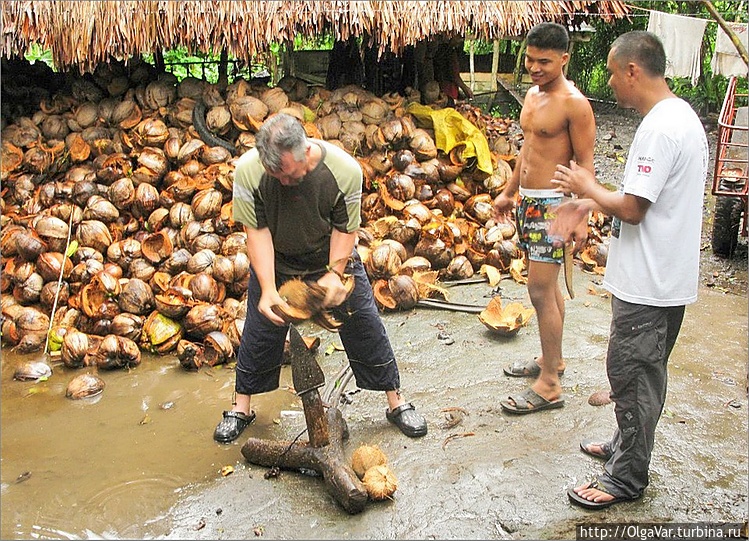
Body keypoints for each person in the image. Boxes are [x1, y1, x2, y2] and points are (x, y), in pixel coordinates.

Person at [550, 31, 708, 509]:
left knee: (632, 377)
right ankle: (625, 449)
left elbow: (636, 208)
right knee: (639, 373)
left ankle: (625, 479)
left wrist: (585, 185)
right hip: (665, 276)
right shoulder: (679, 116)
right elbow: (645, 199)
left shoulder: (661, 127)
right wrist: (588, 202)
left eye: (616, 74)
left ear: (633, 71)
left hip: (650, 282)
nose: (612, 85)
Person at [213, 113, 428, 443]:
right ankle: (241, 408)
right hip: (277, 259)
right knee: (260, 328)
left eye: (288, 174)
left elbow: (346, 228)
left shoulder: (344, 171)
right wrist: (268, 288)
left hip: (329, 255)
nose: (283, 181)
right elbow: (256, 232)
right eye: (275, 174)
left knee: (365, 323)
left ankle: (396, 403)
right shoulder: (248, 171)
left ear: (305, 152)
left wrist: (334, 275)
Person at [491, 22, 595, 414]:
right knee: (548, 290)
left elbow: (585, 162)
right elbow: (528, 150)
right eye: (530, 60)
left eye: (544, 62)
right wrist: (508, 191)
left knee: (538, 291)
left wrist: (581, 213)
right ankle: (553, 360)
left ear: (564, 59)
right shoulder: (533, 95)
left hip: (555, 206)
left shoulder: (574, 103)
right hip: (529, 203)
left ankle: (549, 384)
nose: (534, 68)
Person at [433, 35, 474, 105]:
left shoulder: (440, 50)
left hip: (443, 91)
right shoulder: (449, 53)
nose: (461, 40)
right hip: (448, 91)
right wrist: (465, 89)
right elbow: (454, 76)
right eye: (459, 37)